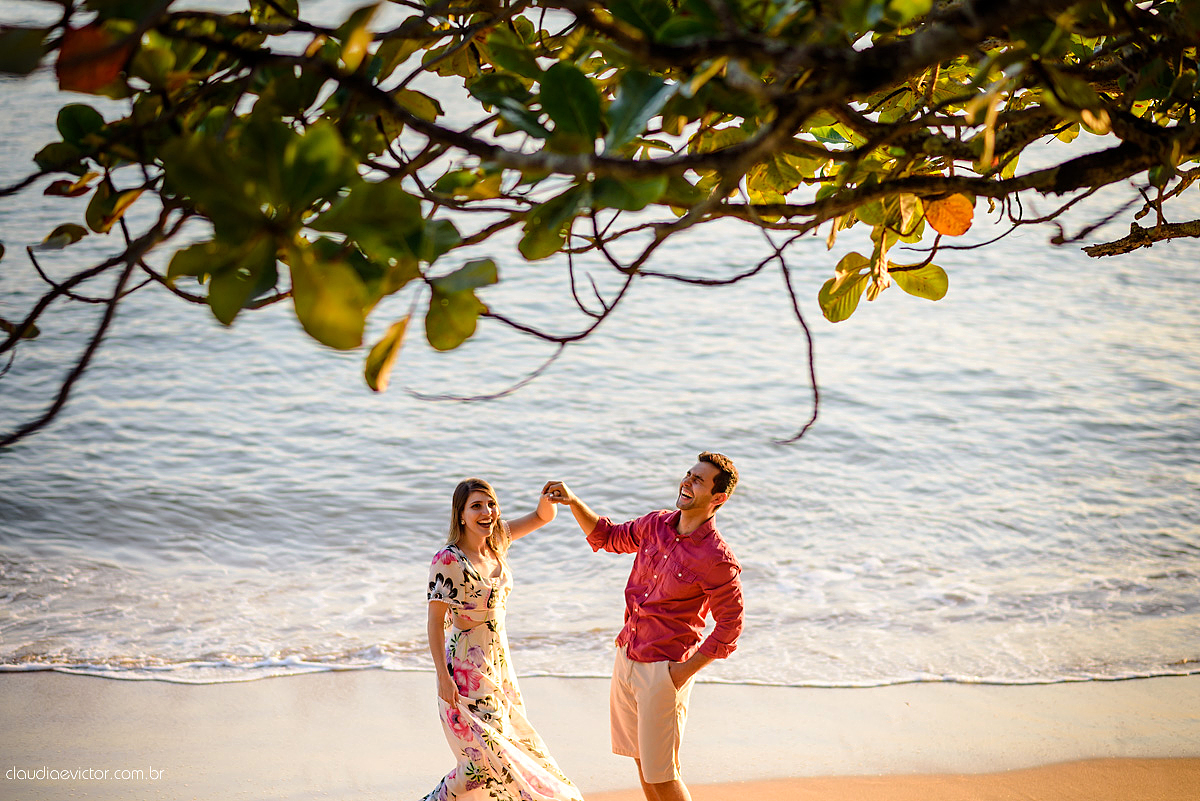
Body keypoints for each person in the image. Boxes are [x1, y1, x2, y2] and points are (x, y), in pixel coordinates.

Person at [543, 452, 744, 801]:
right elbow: (607, 537)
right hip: (627, 657)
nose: (687, 482)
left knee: (663, 775)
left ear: (718, 498)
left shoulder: (717, 558)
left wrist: (680, 674)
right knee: (642, 765)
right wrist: (573, 501)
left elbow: (730, 626)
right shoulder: (656, 525)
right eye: (688, 475)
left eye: (698, 480)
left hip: (663, 671)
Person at [423, 478, 583, 801]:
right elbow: (434, 622)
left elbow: (542, 517)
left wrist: (549, 498)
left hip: (499, 667)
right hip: (466, 672)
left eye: (491, 504)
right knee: (481, 761)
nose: (487, 512)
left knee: (509, 749)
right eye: (476, 506)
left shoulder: (498, 542)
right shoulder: (448, 560)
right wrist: (442, 675)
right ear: (461, 515)